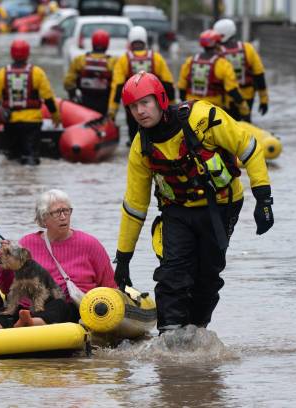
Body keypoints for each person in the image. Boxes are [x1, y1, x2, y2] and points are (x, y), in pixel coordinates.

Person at [113, 72, 274, 334]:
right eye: (133, 107)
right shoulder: (140, 146)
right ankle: (170, 339)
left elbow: (249, 148)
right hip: (176, 211)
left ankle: (197, 331)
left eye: (145, 103)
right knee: (171, 275)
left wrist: (263, 199)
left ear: (161, 100)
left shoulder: (202, 118)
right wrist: (123, 258)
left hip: (221, 206)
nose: (140, 111)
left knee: (207, 279)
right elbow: (134, 205)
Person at [0, 189, 117, 330]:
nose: (63, 216)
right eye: (57, 212)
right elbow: (7, 288)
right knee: (13, 308)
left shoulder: (90, 244)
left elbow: (110, 286)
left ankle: (30, 322)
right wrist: (4, 264)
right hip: (30, 304)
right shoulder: (27, 243)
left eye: (66, 211)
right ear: (44, 219)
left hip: (69, 306)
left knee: (59, 306)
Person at [0, 39, 60, 165]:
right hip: (32, 123)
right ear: (28, 54)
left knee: (13, 158)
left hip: (11, 123)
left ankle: (15, 182)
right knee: (31, 157)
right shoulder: (37, 73)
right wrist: (56, 117)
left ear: (11, 54)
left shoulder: (1, 74)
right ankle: (29, 180)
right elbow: (48, 98)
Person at [108, 26, 175, 145]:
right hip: (152, 104)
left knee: (134, 137)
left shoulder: (124, 59)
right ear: (145, 40)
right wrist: (173, 107)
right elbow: (168, 84)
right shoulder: (156, 57)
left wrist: (113, 110)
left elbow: (117, 87)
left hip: (132, 106)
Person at [177, 29, 250, 120]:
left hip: (192, 109)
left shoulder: (190, 61)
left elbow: (181, 88)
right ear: (217, 44)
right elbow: (232, 90)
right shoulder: (223, 64)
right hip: (214, 111)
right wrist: (245, 110)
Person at [213, 18, 269, 122]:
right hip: (247, 97)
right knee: (245, 126)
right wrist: (264, 99)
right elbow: (259, 75)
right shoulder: (248, 48)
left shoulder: (215, 52)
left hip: (226, 100)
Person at [63, 29, 116, 115]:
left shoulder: (79, 60)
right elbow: (117, 85)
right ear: (107, 45)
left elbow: (68, 83)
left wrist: (73, 97)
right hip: (104, 105)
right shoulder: (113, 62)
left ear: (92, 43)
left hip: (84, 103)